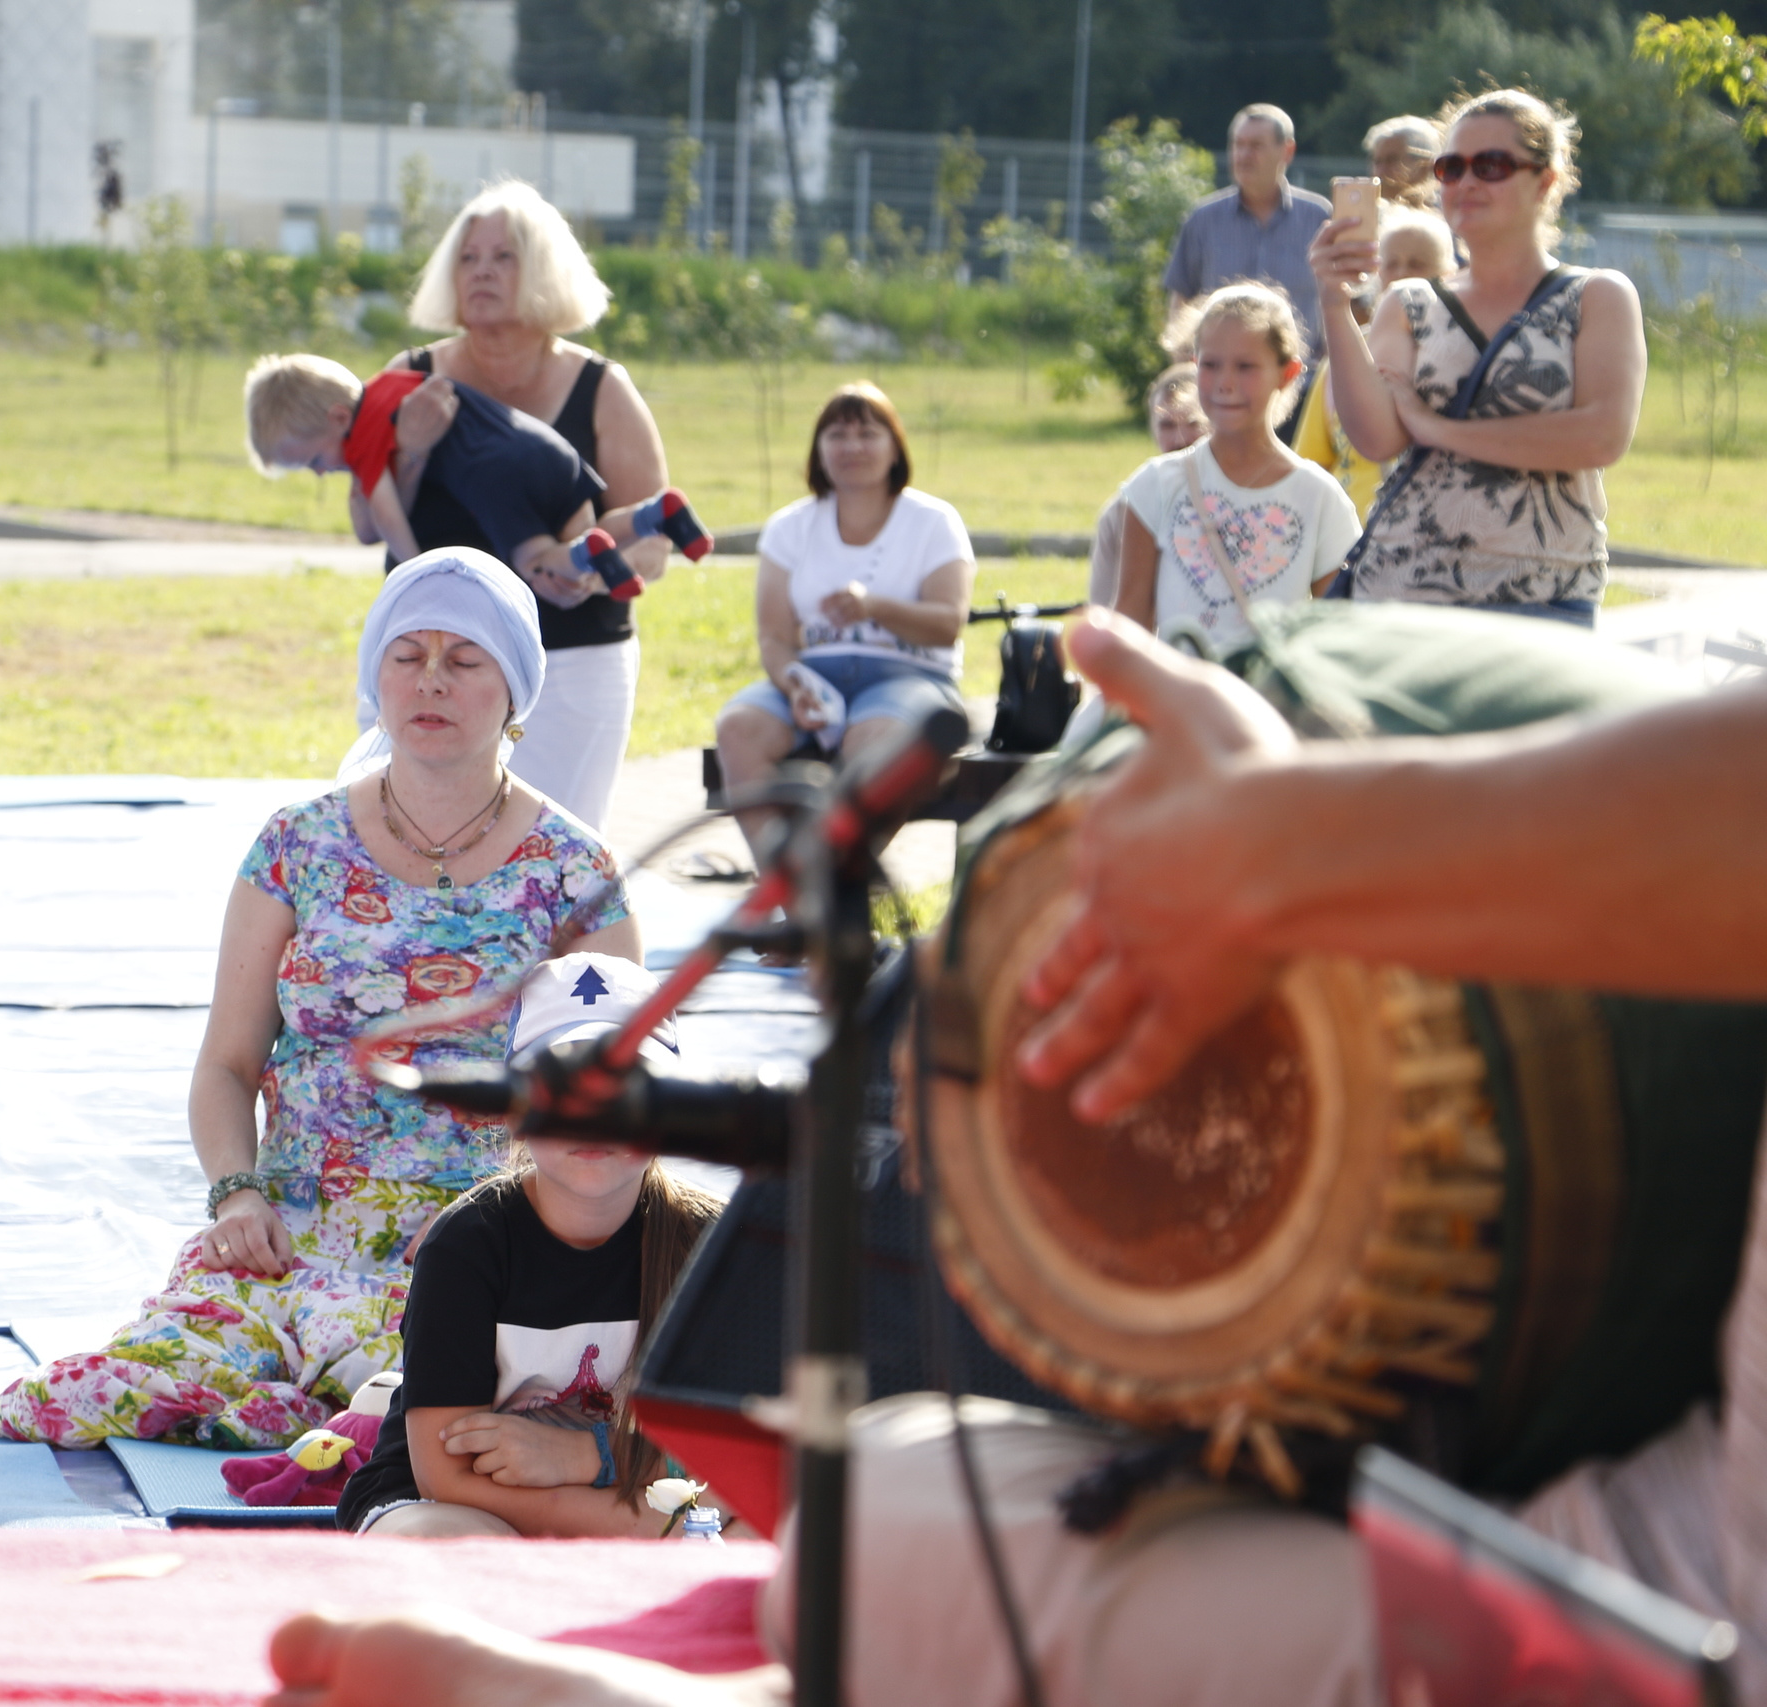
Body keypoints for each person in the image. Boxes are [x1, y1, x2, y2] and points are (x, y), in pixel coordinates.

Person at [257, 609, 1767, 1707]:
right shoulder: (476, 1236)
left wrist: (1283, 841)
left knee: (878, 1553)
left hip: (1685, 1618)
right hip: (1634, 1505)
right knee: (884, 1514)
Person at [0, 548, 640, 1451]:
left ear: (516, 691)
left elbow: (605, 1106)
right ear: (375, 675)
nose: (431, 680)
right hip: (288, 1239)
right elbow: (227, 1064)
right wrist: (237, 1197)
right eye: (407, 656)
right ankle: (311, 1406)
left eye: (464, 658)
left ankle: (336, 1410)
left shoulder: (576, 871)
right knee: (79, 1398)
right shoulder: (297, 844)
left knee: (435, 1406)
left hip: (475, 1246)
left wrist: (515, 1230)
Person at [338, 953, 724, 1539]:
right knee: (462, 1550)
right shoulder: (466, 1245)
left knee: (793, 1527)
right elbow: (445, 1478)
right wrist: (654, 1529)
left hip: (635, 1499)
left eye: (625, 1084)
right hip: (453, 1504)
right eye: (564, 1085)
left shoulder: (712, 1244)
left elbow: (751, 1455)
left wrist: (590, 1456)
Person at [374, 180, 681, 831]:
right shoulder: (409, 376)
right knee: (413, 845)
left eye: (503, 256)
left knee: (555, 857)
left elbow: (653, 543)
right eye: (467, 257)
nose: (480, 271)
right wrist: (414, 450)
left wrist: (595, 575)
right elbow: (370, 518)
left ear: (544, 269)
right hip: (427, 665)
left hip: (574, 664)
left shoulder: (603, 388)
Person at [1308, 88, 1642, 623]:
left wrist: (1437, 430)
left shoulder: (1597, 296)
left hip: (1543, 594)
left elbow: (1599, 437)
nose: (1465, 183)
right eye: (1451, 167)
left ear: (1546, 180)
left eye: (1490, 166)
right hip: (1402, 588)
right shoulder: (1409, 303)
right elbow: (1376, 439)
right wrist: (1334, 302)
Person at [713, 383, 975, 857]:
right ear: (818, 450)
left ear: (895, 448)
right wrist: (795, 684)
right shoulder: (789, 527)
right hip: (813, 676)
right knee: (737, 728)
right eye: (836, 435)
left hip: (911, 676)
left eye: (868, 434)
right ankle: (781, 877)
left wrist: (874, 607)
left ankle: (837, 876)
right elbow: (774, 637)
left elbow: (947, 624)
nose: (852, 447)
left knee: (875, 741)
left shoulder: (934, 521)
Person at [246, 353, 712, 602]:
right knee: (588, 530)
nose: (322, 471)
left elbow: (384, 518)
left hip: (497, 476)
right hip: (544, 446)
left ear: (338, 417)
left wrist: (418, 571)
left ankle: (588, 554)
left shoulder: (364, 435)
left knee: (539, 562)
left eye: (314, 460)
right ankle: (657, 513)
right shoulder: (398, 384)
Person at [1114, 285, 1360, 650]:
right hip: (1175, 687)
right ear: (1194, 365)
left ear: (1288, 372)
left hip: (1271, 688)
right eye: (1211, 365)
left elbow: (1339, 634)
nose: (1225, 383)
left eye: (1245, 367)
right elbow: (1129, 629)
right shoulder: (1155, 486)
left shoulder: (1319, 497)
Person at [1294, 208, 1455, 522]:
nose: (1402, 275)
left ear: (1449, 273)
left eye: (1417, 264)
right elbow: (1311, 466)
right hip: (1347, 535)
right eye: (1391, 263)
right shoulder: (1343, 357)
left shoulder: (1465, 357)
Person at [1164, 104, 1332, 362]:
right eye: (1237, 145)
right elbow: (1182, 299)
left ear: (1287, 151)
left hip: (1302, 376)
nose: (1243, 155)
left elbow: (1341, 299)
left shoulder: (1319, 218)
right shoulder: (1203, 220)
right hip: (1221, 378)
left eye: (1256, 146)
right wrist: (1184, 365)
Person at [1088, 365, 1208, 609]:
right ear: (1152, 428)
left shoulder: (1248, 495)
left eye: (1192, 422)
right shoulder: (1122, 512)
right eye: (1167, 425)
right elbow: (1104, 613)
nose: (1179, 439)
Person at [1364, 114, 1442, 208]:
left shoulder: (1450, 213)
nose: (1381, 171)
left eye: (1392, 160)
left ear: (1425, 165)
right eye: (1377, 162)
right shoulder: (1365, 213)